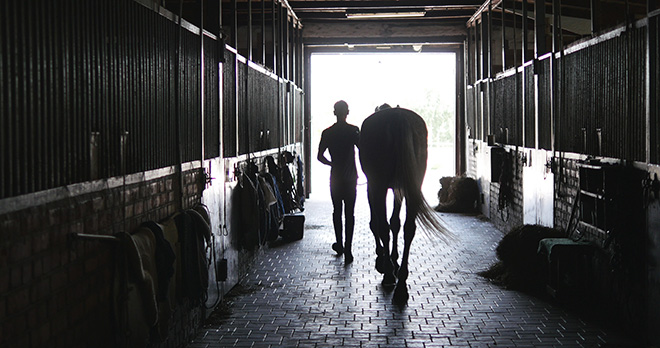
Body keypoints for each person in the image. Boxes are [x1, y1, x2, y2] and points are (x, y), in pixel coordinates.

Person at [317, 100, 360, 263]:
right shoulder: (353, 131)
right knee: (350, 214)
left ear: (334, 112)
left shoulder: (328, 133)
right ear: (347, 112)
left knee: (337, 211)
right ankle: (348, 249)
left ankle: (340, 244)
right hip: (351, 178)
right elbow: (363, 150)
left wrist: (332, 163)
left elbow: (320, 156)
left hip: (335, 177)